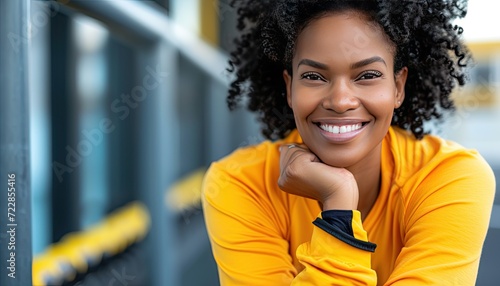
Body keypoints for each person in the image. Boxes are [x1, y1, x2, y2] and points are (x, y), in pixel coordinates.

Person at [202, 0, 496, 285]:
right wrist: (339, 204)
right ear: (290, 88)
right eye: (314, 76)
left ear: (398, 87)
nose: (340, 101)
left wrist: (336, 212)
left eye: (367, 75)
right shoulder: (240, 182)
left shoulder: (451, 177)